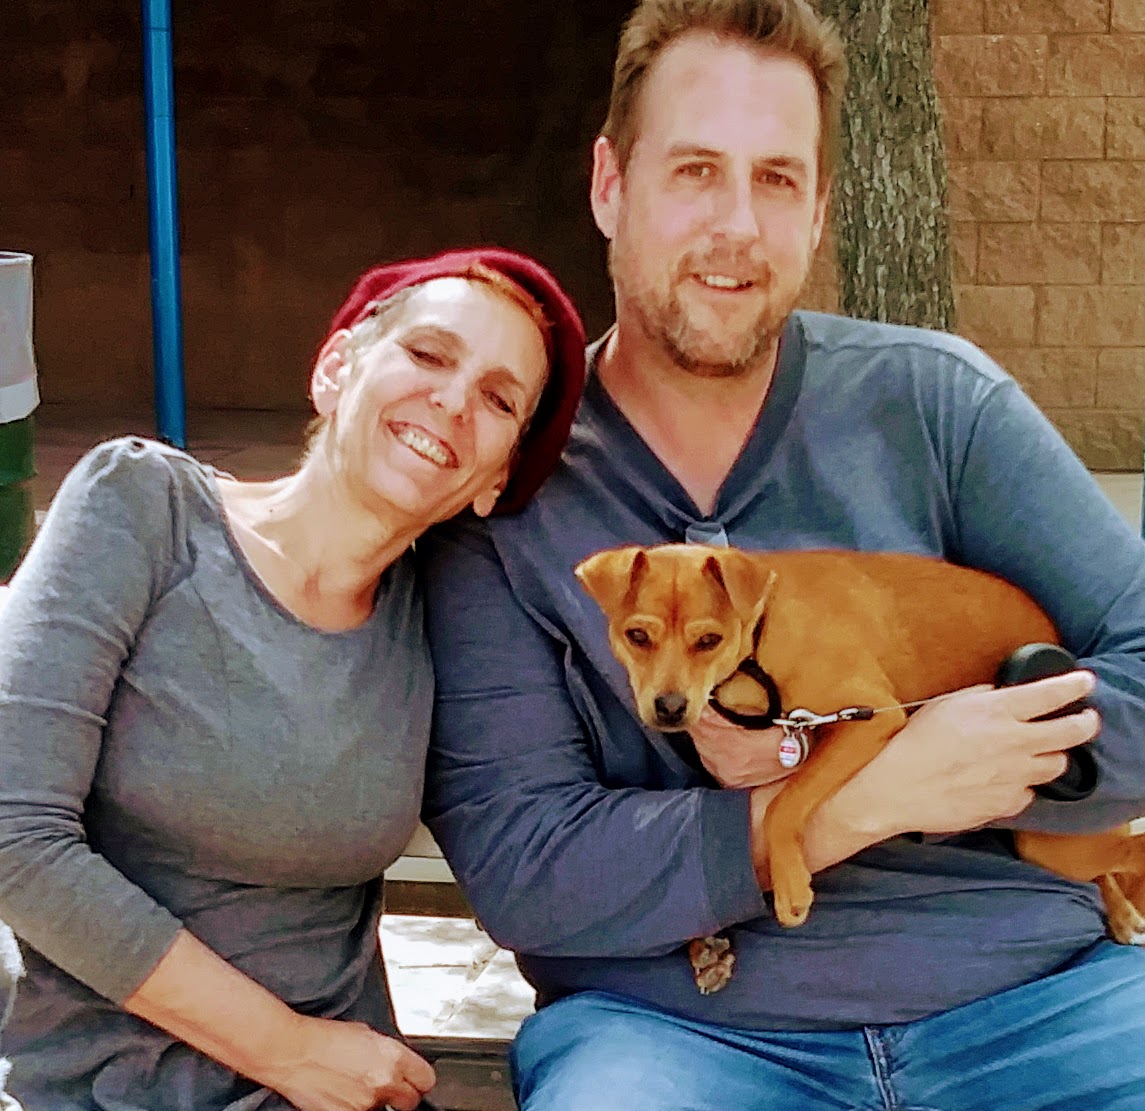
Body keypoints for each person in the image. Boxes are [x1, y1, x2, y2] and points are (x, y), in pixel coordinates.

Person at [418, 2, 1145, 1107]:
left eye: (776, 180)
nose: (737, 226)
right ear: (608, 184)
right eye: (696, 171)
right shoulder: (511, 495)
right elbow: (529, 867)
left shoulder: (930, 405)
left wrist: (1008, 757)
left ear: (815, 215)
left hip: (1040, 1003)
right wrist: (858, 795)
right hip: (677, 1043)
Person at [0, 247, 586, 1111]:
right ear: (337, 366)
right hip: (105, 1086)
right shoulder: (146, 508)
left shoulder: (448, 625)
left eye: (500, 399)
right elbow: (14, 831)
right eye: (428, 354)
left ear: (496, 477)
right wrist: (287, 1048)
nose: (453, 401)